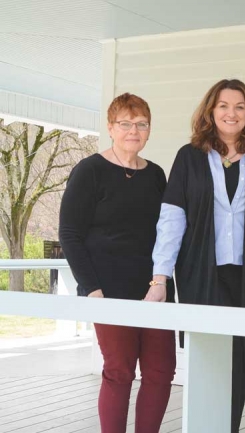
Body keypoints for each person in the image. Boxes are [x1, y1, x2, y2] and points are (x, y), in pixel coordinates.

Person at [150, 79, 245, 433]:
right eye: (224, 105)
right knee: (207, 359)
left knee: (237, 365)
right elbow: (172, 219)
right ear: (211, 111)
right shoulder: (189, 157)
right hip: (201, 274)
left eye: (239, 106)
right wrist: (160, 277)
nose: (231, 113)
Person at [59, 93, 176, 433]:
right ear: (111, 128)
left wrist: (162, 281)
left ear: (149, 130)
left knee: (160, 370)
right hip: (107, 291)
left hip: (153, 288)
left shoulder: (155, 175)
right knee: (120, 370)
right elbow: (69, 234)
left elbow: (167, 232)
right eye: (125, 123)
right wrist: (91, 290)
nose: (133, 131)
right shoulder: (90, 171)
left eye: (141, 124)